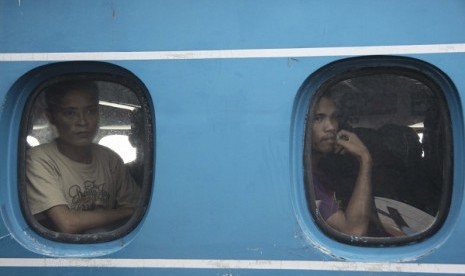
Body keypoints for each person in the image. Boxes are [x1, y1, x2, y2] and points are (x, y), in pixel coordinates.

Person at [26, 80, 140, 234]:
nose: (83, 122)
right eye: (70, 113)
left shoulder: (109, 159)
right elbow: (67, 224)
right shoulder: (40, 159)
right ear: (51, 117)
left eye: (90, 111)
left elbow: (140, 211)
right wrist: (126, 212)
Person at [309, 94, 374, 236]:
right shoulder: (305, 180)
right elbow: (354, 232)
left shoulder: (323, 172)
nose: (331, 127)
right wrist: (365, 159)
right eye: (318, 118)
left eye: (334, 117)